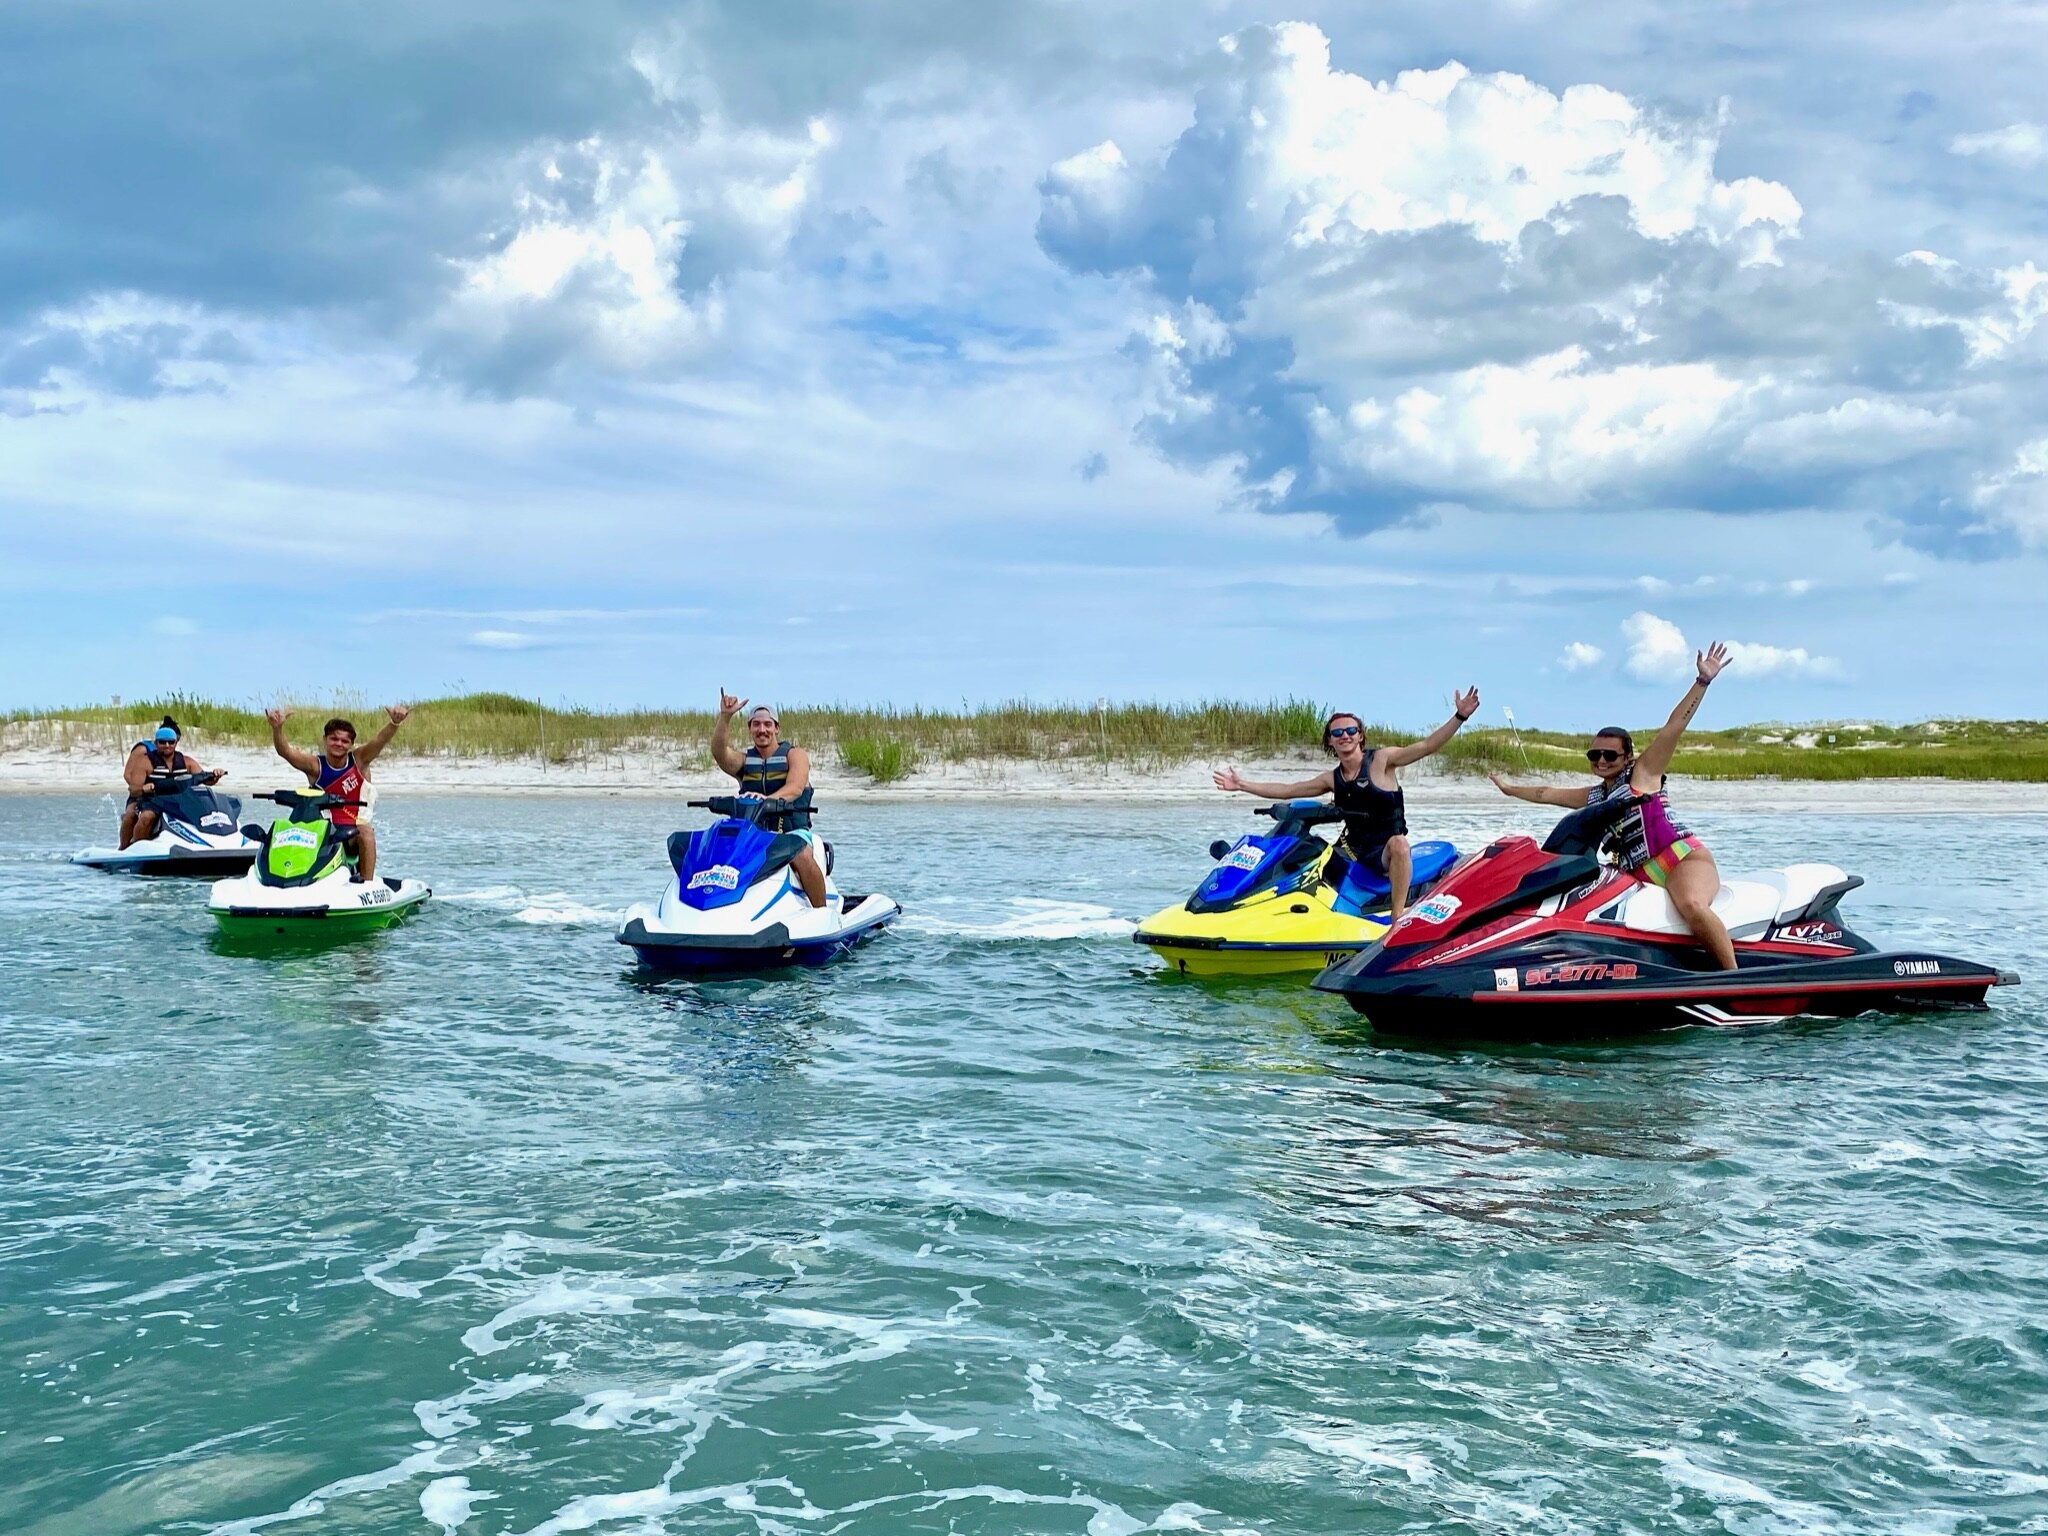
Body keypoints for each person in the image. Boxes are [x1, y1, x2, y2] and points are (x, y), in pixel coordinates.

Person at [1488, 641, 1735, 969]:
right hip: (1636, 875)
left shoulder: (1643, 775)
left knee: (1690, 903)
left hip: (1682, 861)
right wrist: (1508, 789)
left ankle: (1730, 977)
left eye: (1610, 755)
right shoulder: (1596, 797)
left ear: (1627, 756)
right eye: (1595, 755)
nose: (1601, 761)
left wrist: (1702, 682)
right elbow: (1546, 793)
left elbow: (1673, 727)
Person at [1212, 688, 1480, 926]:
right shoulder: (1332, 778)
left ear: (1360, 736)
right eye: (1337, 733)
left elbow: (1427, 746)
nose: (1345, 736)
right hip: (1353, 849)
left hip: (1384, 851)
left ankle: (1397, 917)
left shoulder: (1382, 761)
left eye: (1351, 730)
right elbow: (1288, 790)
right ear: (1330, 741)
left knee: (1400, 844)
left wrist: (1459, 717)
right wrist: (1242, 785)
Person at [264, 705, 412, 880]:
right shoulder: (314, 766)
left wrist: (394, 723)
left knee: (366, 832)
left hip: (352, 830)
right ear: (325, 739)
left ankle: (366, 883)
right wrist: (277, 728)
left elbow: (379, 740)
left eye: (344, 741)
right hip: (322, 830)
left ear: (351, 744)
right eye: (334, 739)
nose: (339, 744)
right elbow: (285, 752)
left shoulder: (359, 759)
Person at [709, 691, 827, 908]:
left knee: (801, 856)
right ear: (750, 729)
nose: (762, 730)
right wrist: (725, 717)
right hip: (753, 834)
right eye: (756, 725)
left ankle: (822, 911)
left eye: (767, 724)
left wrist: (766, 799)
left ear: (776, 728)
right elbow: (719, 753)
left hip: (792, 832)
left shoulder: (795, 754)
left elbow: (796, 787)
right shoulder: (744, 761)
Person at [119, 715, 225, 847]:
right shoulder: (144, 761)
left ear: (176, 743)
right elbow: (133, 790)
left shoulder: (187, 762)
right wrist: (144, 788)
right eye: (162, 742)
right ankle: (133, 846)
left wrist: (215, 775)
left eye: (170, 742)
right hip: (150, 800)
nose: (167, 745)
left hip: (175, 800)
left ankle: (204, 843)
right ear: (156, 743)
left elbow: (205, 779)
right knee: (145, 817)